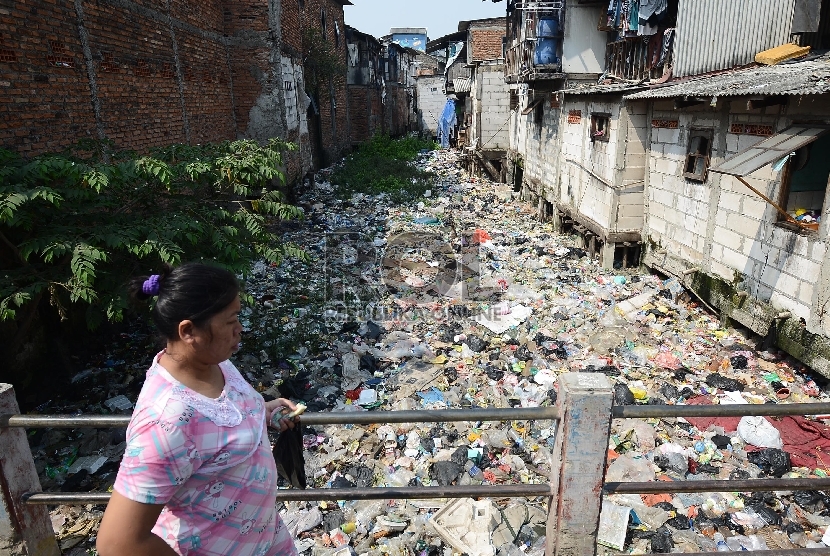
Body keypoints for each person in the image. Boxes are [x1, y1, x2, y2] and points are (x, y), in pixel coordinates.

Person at [97, 263, 300, 556]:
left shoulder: (215, 363)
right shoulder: (166, 422)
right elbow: (118, 544)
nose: (239, 329)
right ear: (189, 331)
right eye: (231, 320)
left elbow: (224, 419)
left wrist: (263, 411)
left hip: (265, 538)